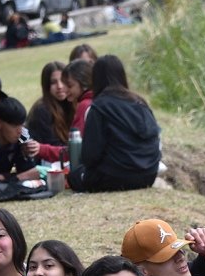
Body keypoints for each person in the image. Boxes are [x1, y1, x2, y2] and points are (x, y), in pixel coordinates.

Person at [69, 55, 160, 192]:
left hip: (114, 178)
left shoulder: (99, 107)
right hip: (149, 175)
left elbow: (90, 156)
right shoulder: (140, 102)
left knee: (74, 176)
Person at [26, 61, 73, 147]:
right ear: (47, 86)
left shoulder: (73, 103)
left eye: (63, 81)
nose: (59, 86)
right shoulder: (42, 110)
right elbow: (52, 145)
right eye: (53, 82)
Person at [64, 58, 93, 131]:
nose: (65, 90)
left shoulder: (84, 105)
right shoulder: (98, 99)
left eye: (70, 85)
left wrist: (41, 143)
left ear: (84, 84)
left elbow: (76, 141)